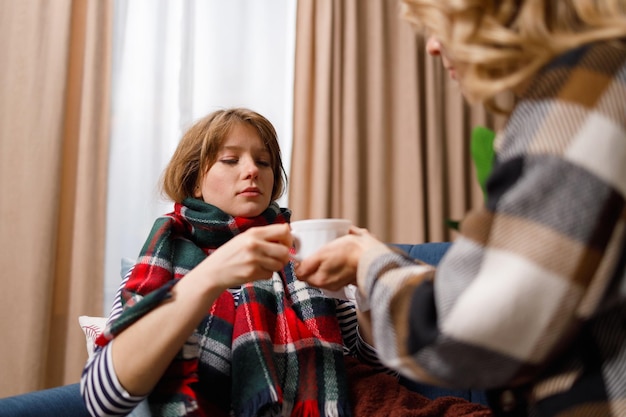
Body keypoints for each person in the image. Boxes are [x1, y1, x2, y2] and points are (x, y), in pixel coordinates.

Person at [295, 1, 626, 416]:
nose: (432, 46)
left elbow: (466, 330)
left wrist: (368, 263)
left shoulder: (583, 94)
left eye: (440, 25)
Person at [80, 108, 381, 417]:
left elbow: (371, 372)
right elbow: (102, 400)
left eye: (264, 162)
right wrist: (213, 274)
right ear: (195, 182)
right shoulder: (158, 266)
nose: (252, 170)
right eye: (230, 159)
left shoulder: (302, 255)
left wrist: (369, 288)